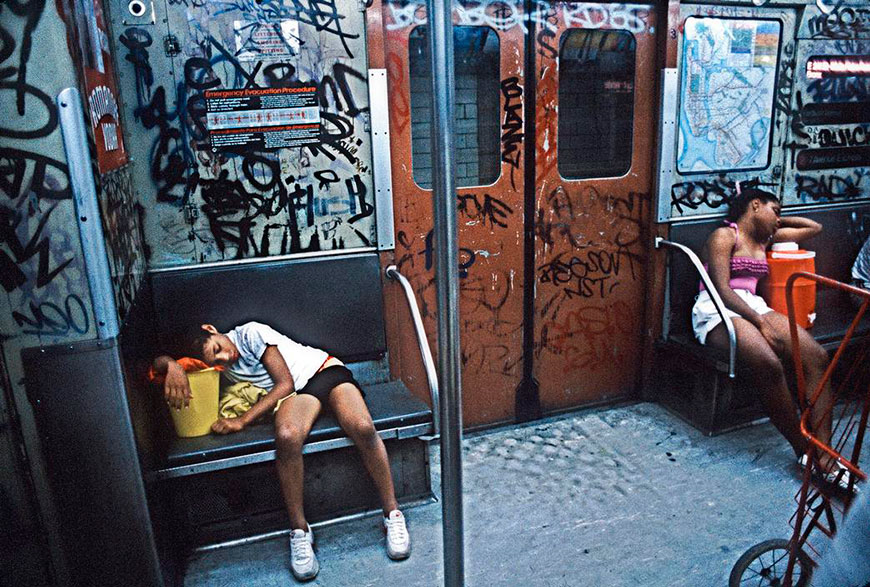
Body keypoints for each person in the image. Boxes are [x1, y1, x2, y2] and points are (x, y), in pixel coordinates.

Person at [152, 321, 411, 581]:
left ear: (211, 329)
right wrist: (173, 366)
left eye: (218, 348)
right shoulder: (216, 365)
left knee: (362, 426)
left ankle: (392, 513)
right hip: (298, 396)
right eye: (217, 360)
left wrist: (241, 421)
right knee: (287, 436)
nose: (225, 357)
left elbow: (284, 383)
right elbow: (155, 366)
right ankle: (299, 531)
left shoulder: (249, 334)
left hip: (323, 371)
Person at [691, 187, 843, 480]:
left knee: (816, 355)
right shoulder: (724, 236)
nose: (779, 220)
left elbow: (815, 228)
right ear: (755, 205)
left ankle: (824, 451)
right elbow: (721, 289)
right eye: (776, 211)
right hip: (716, 307)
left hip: (754, 306)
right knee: (768, 363)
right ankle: (803, 450)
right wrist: (760, 323)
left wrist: (777, 221)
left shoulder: (766, 239)